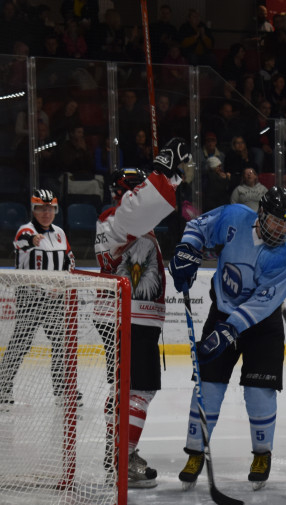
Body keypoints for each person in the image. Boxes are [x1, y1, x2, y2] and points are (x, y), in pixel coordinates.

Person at [168, 186, 286, 491]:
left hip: (261, 327)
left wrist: (229, 330)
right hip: (222, 312)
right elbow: (198, 226)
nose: (280, 229)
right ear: (262, 214)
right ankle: (194, 452)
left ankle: (262, 454)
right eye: (276, 221)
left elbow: (263, 304)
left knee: (259, 392)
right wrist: (189, 248)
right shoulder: (234, 217)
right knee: (208, 386)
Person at [94, 140, 190, 487]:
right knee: (138, 391)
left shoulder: (125, 222)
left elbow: (155, 203)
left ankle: (117, 452)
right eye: (135, 187)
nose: (139, 191)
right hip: (129, 319)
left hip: (127, 318)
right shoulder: (116, 220)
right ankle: (122, 458)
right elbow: (146, 205)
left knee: (126, 390)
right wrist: (164, 169)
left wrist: (174, 175)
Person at [0, 189, 76, 411]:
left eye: (50, 208)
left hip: (55, 299)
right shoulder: (25, 230)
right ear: (34, 210)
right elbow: (21, 242)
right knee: (20, 343)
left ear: (55, 210)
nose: (46, 213)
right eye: (41, 208)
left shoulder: (59, 233)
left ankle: (63, 391)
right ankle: (1, 390)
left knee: (61, 343)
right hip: (30, 297)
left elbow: (69, 259)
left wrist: (64, 282)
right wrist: (33, 239)